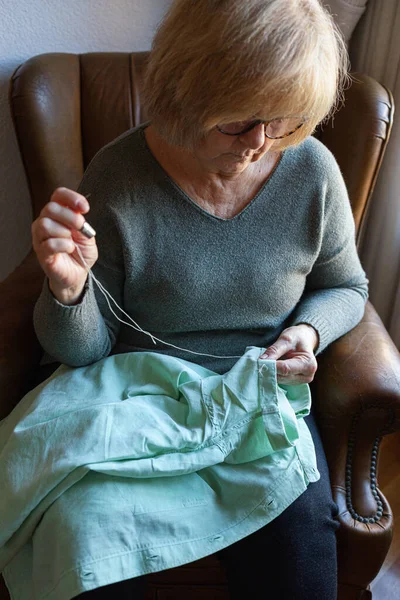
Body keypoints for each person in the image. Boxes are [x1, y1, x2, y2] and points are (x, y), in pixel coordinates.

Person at [27, 0, 368, 598]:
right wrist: (67, 287)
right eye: (237, 122)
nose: (259, 144)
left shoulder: (313, 171)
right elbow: (83, 352)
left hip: (259, 403)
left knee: (299, 557)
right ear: (189, 96)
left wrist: (307, 333)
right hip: (139, 400)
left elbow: (346, 287)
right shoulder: (118, 177)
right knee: (90, 551)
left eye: (284, 121)